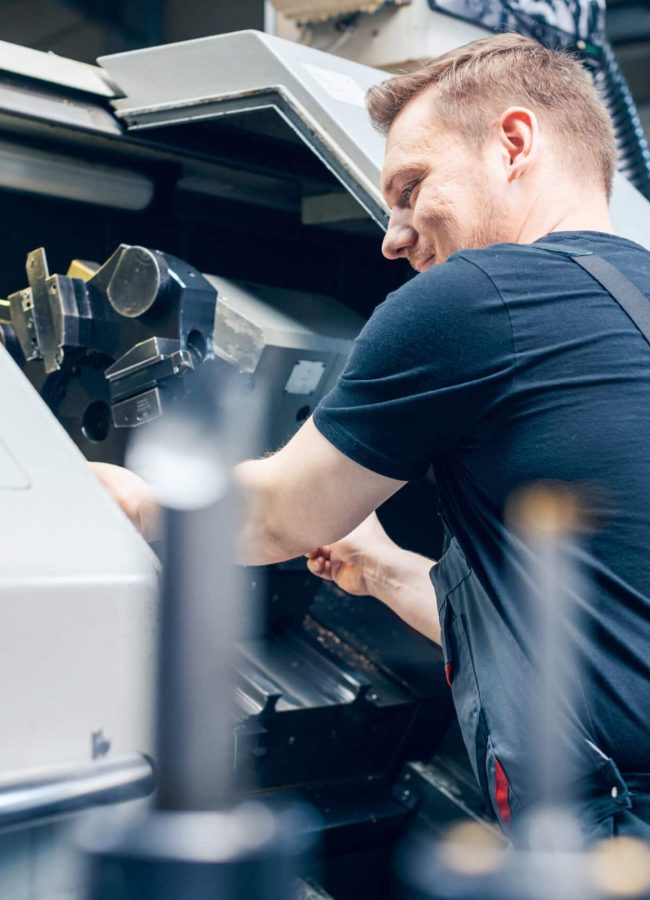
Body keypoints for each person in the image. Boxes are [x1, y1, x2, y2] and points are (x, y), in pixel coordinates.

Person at [93, 33, 650, 837]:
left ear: (515, 142)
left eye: (412, 186)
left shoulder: (479, 296)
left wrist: (129, 501)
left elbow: (275, 516)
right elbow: (585, 627)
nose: (392, 235)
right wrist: (388, 571)